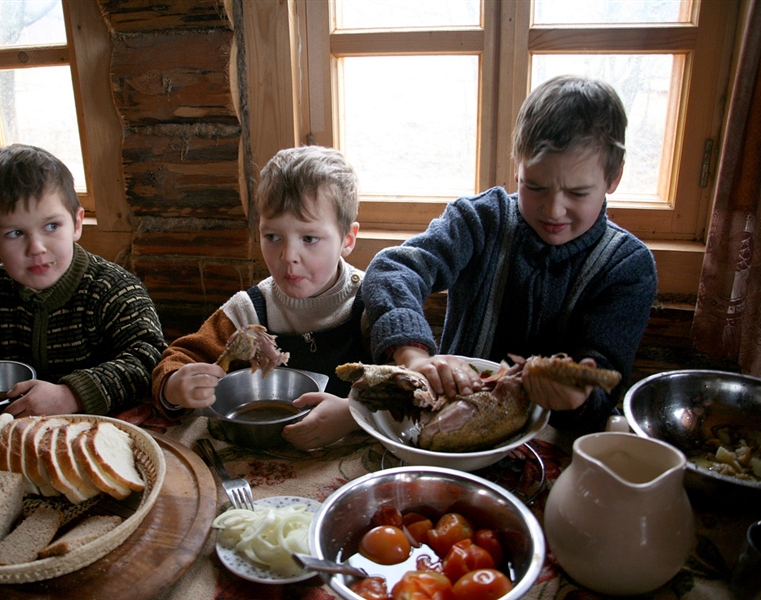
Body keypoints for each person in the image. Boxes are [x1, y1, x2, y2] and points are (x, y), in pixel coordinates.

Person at [362, 75, 658, 433]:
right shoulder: (479, 221)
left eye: (578, 193)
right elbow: (391, 270)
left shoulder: (627, 267)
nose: (554, 209)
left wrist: (578, 397)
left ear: (613, 178)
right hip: (444, 423)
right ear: (517, 165)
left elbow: (604, 382)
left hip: (555, 443)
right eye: (535, 186)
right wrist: (413, 357)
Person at [0, 144, 166, 417]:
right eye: (15, 233)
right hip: (12, 433)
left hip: (99, 430)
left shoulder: (115, 290)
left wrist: (72, 395)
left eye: (51, 226)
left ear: (76, 223)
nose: (36, 247)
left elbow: (149, 358)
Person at [152, 145, 370, 450]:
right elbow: (179, 360)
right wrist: (174, 387)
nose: (288, 256)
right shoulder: (249, 311)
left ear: (348, 239)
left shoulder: (370, 304)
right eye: (272, 237)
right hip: (259, 458)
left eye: (309, 238)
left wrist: (353, 412)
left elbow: (407, 385)